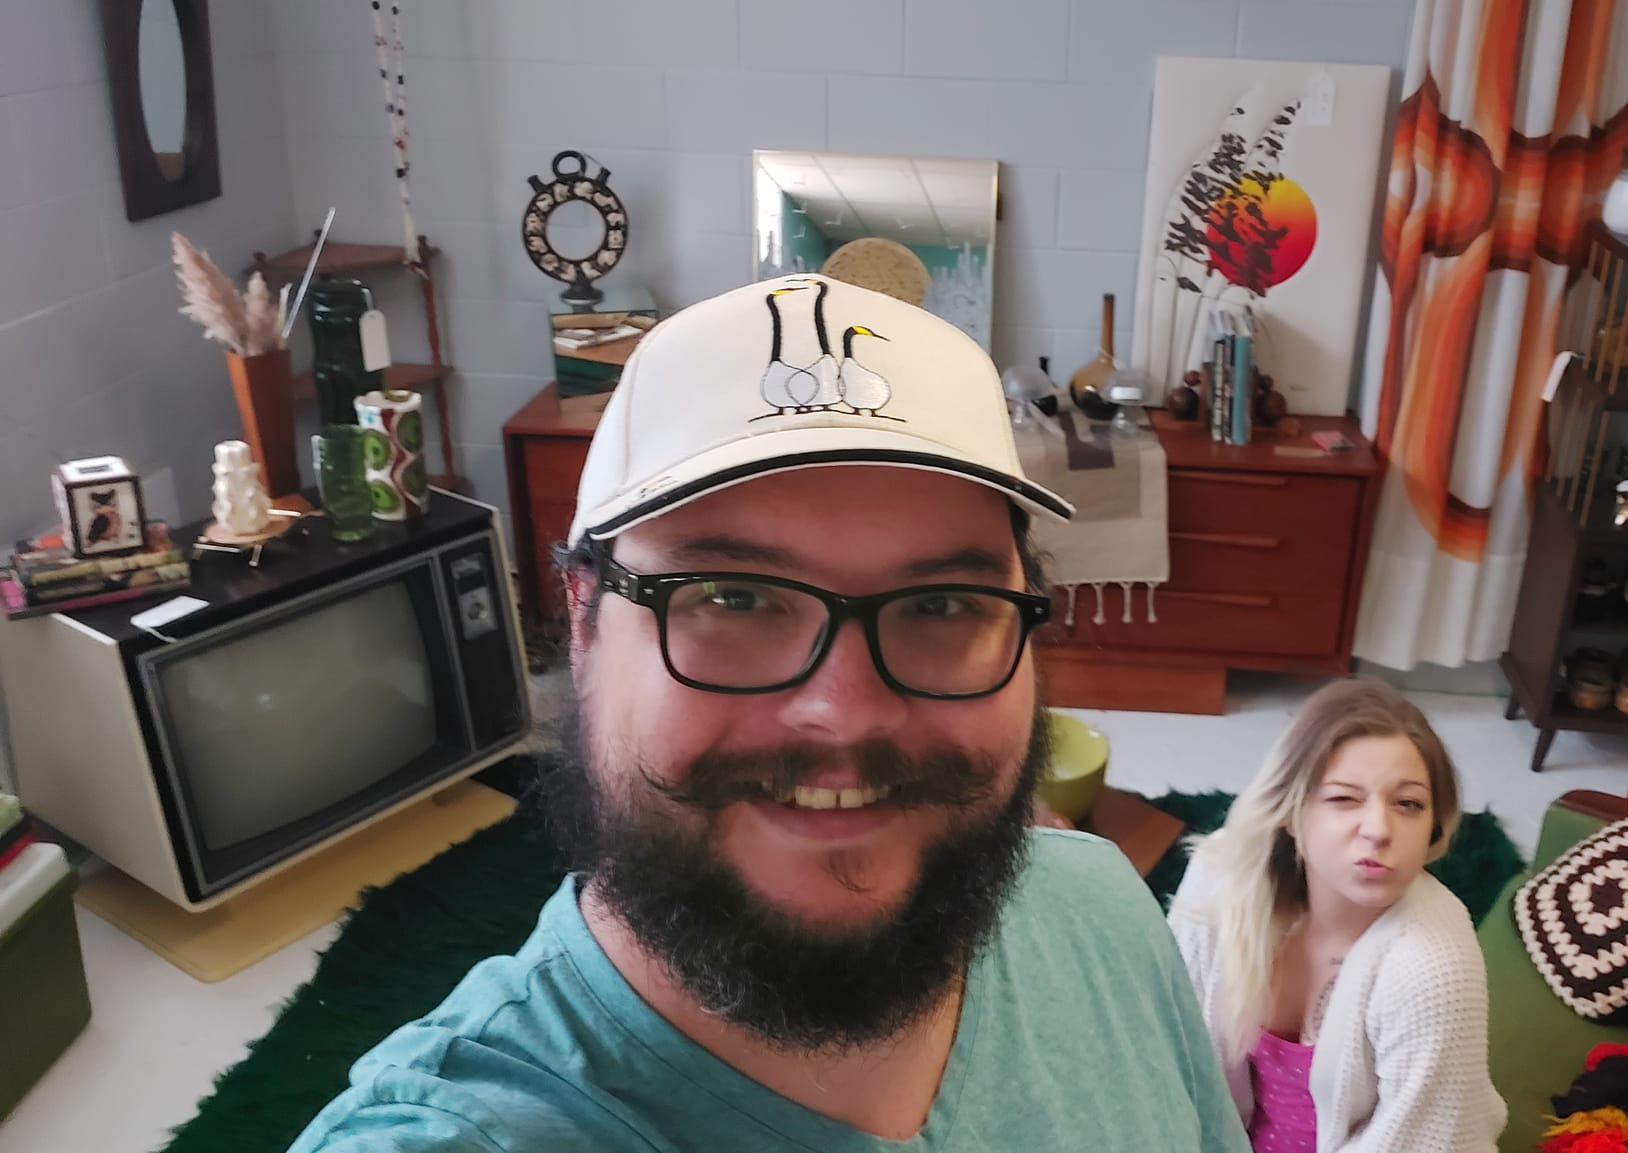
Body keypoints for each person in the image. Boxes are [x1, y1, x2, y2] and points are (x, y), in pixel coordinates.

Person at [287, 275, 1251, 1153]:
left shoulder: (1103, 910)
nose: (841, 713)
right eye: (733, 599)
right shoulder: (467, 1133)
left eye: (940, 606)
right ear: (582, 628)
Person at [1169, 678, 1506, 1153]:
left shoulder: (1435, 969)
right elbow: (1171, 1048)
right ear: (1291, 809)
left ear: (1434, 824)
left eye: (1408, 804)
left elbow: (1426, 1142)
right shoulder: (1221, 879)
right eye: (1344, 798)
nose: (1378, 830)